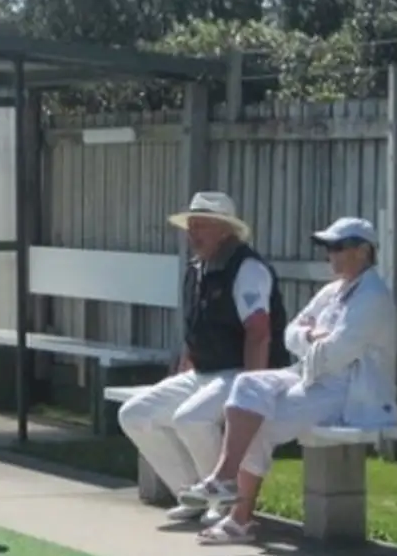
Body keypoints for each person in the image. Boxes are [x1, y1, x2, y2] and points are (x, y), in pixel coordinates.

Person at [178, 217, 397, 544]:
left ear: (363, 252)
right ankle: (224, 478)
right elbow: (290, 333)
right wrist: (312, 336)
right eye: (328, 248)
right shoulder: (331, 292)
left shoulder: (373, 297)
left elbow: (336, 354)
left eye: (338, 247)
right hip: (312, 377)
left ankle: (239, 518)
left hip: (353, 392)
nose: (331, 255)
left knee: (260, 422)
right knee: (247, 385)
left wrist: (310, 341)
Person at [117, 191, 289, 525]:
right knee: (135, 413)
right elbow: (195, 329)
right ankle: (193, 493)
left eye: (203, 226)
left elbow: (259, 333)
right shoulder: (197, 269)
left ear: (226, 231)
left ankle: (224, 499)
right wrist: (185, 369)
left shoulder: (248, 269)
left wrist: (251, 390)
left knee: (190, 417)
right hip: (205, 372)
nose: (193, 233)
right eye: (191, 226)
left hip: (243, 373)